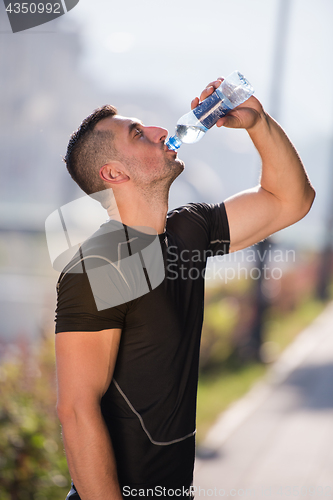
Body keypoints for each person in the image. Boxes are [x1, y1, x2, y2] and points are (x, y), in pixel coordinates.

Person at [55, 77, 315, 500]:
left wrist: (258, 123)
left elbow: (292, 200)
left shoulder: (188, 231)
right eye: (137, 134)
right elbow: (76, 410)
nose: (160, 131)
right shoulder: (98, 268)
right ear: (113, 173)